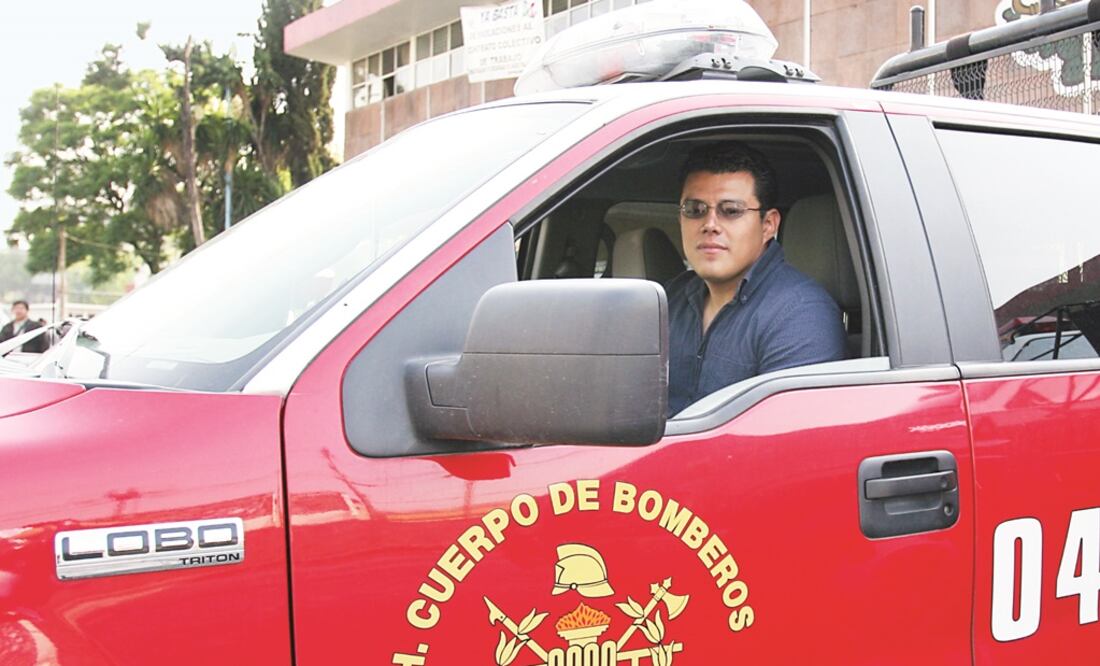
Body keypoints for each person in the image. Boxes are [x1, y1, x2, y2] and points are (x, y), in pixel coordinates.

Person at [666, 143, 846, 415]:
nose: (710, 224)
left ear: (768, 226)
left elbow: (784, 441)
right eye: (695, 209)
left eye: (731, 210)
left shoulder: (801, 314)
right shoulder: (671, 297)